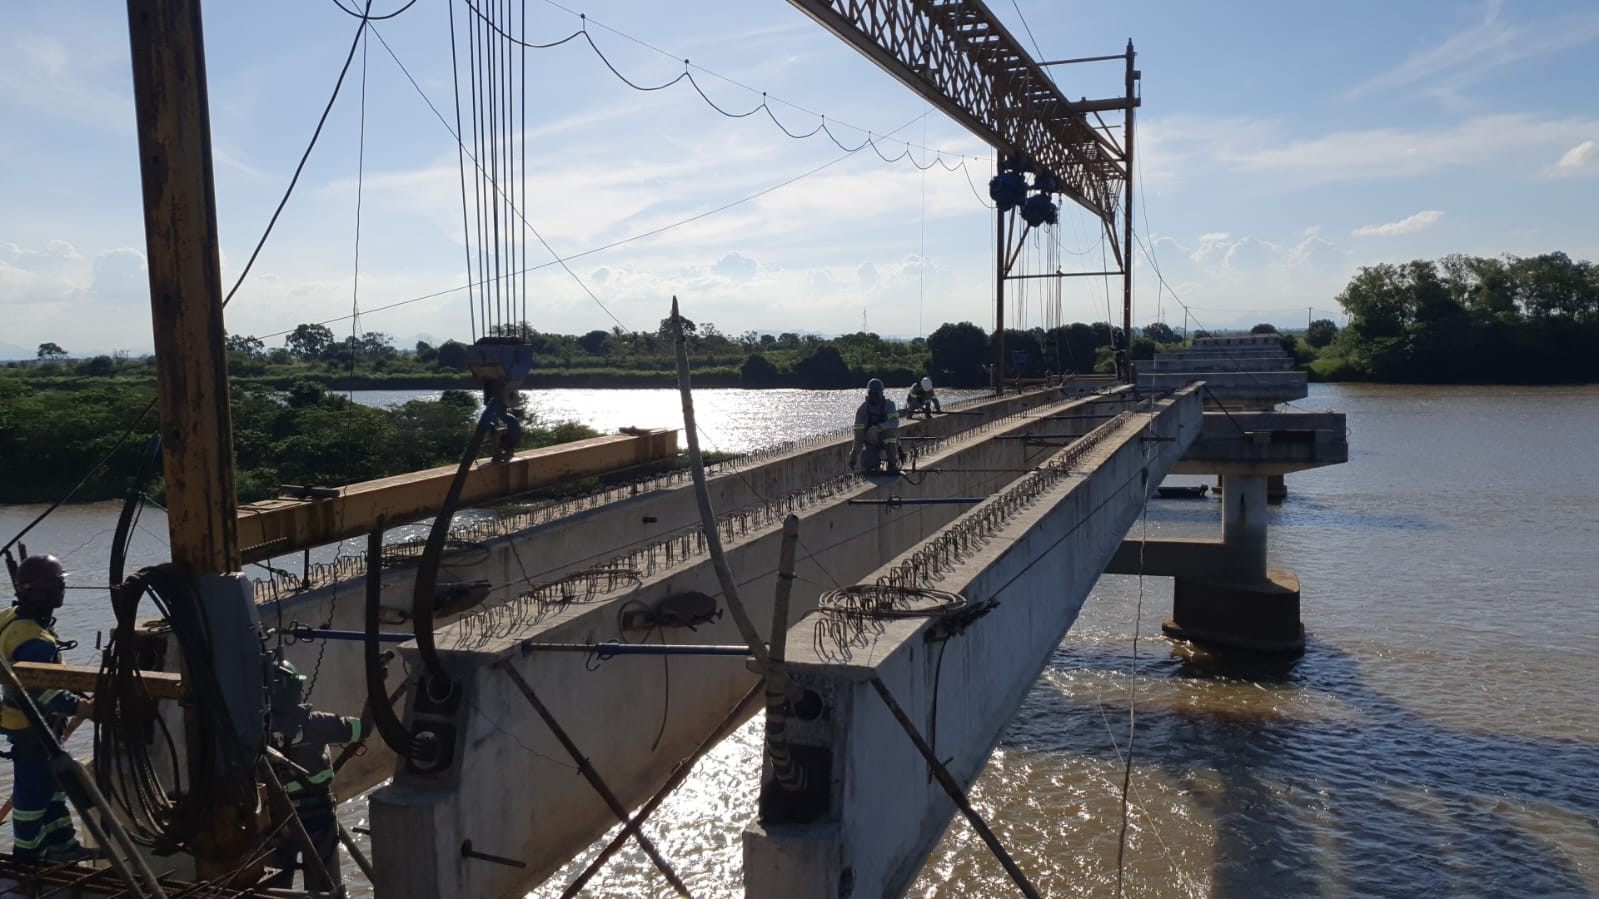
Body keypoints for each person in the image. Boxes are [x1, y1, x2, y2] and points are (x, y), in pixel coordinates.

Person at [0, 554, 92, 863]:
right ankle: (28, 857)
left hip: (34, 725)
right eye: (59, 585)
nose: (62, 591)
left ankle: (61, 846)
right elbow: (46, 695)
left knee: (54, 788)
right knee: (33, 794)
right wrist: (84, 707)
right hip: (33, 728)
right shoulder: (34, 641)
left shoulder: (13, 618)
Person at [265, 659, 367, 890]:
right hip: (319, 823)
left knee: (274, 890)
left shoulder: (258, 732)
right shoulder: (317, 724)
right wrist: (374, 706)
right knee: (326, 889)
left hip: (277, 826)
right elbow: (363, 729)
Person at [847, 378, 901, 475]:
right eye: (871, 394)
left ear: (880, 394)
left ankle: (892, 464)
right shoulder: (862, 410)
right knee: (868, 466)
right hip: (871, 440)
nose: (873, 397)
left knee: (890, 434)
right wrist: (854, 453)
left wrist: (880, 427)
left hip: (886, 437)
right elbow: (859, 434)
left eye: (876, 394)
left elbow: (894, 422)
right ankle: (873, 464)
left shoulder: (889, 405)